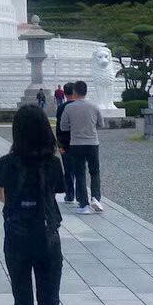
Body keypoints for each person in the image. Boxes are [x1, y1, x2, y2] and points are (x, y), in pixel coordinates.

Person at [0, 105, 65, 305]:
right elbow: (55, 192)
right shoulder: (53, 163)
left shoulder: (5, 163)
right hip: (48, 238)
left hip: (17, 237)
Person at [63, 81, 103, 215]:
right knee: (95, 172)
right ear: (86, 92)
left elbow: (63, 126)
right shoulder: (94, 106)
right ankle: (96, 198)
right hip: (92, 142)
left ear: (74, 92)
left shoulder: (69, 108)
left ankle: (83, 204)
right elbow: (101, 124)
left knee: (79, 174)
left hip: (76, 143)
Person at [54, 83, 76, 203]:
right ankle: (81, 196)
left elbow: (59, 128)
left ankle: (70, 194)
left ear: (65, 93)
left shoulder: (62, 107)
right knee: (79, 170)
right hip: (80, 142)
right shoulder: (81, 106)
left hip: (66, 143)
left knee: (68, 170)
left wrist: (60, 145)